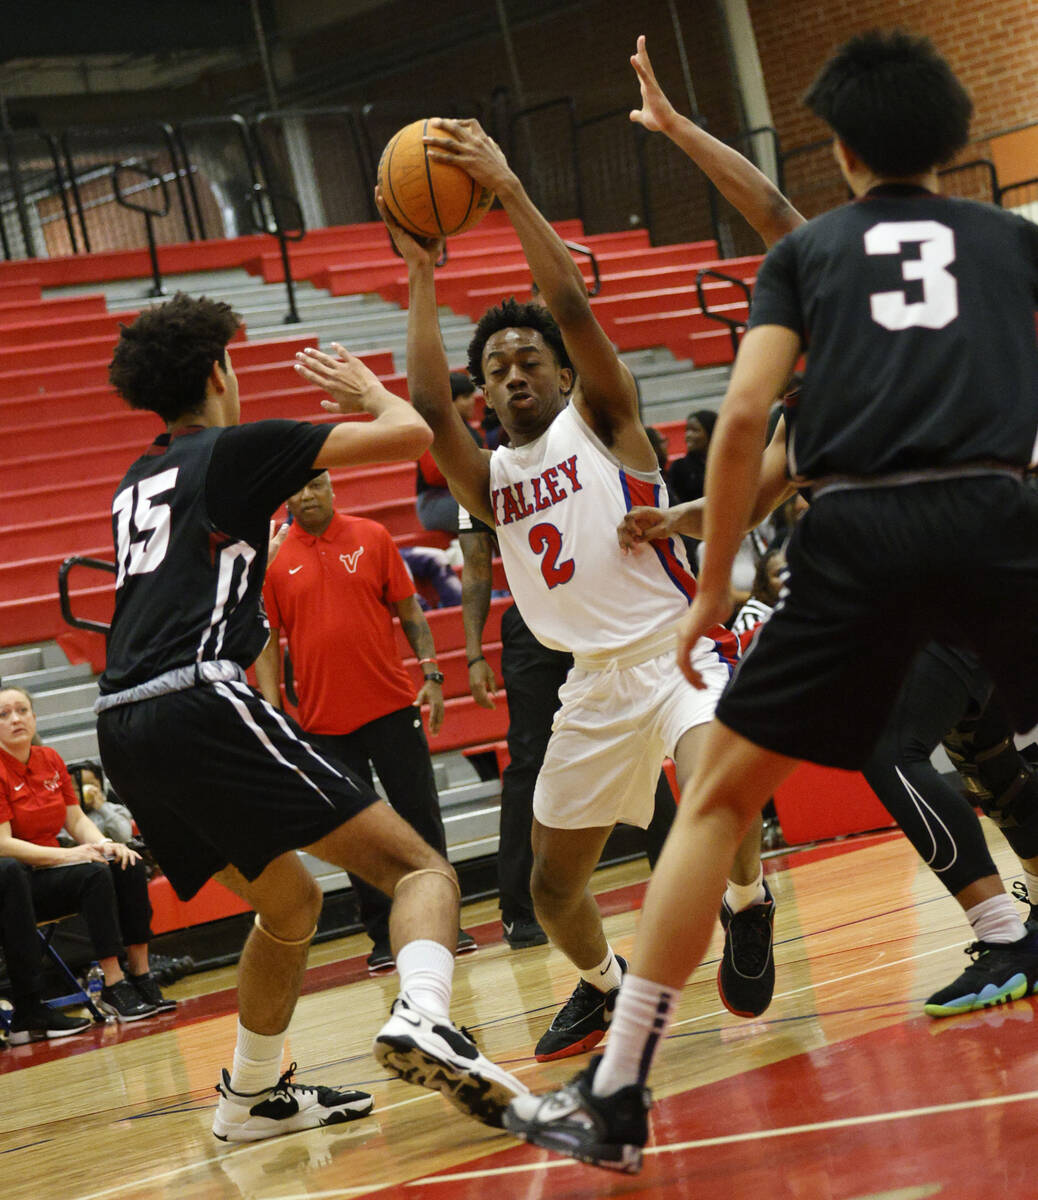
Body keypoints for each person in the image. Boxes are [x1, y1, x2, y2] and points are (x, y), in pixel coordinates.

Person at [504, 30, 1038, 1171]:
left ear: (838, 151)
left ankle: (619, 1093)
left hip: (859, 533)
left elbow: (744, 422)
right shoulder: (1010, 241)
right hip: (1001, 512)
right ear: (955, 138)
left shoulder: (816, 259)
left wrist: (711, 587)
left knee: (714, 806)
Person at [379, 113, 774, 1068]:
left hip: (679, 646)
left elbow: (574, 306)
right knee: (549, 890)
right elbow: (429, 408)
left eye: (529, 361)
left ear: (564, 374)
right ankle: (601, 989)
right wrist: (422, 270)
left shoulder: (603, 420)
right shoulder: (489, 480)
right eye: (496, 370)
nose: (511, 375)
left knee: (717, 781)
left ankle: (747, 903)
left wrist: (509, 191)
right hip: (590, 682)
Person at [94, 293, 526, 1143]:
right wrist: (372, 392)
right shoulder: (235, 449)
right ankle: (427, 1017)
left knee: (288, 902)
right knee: (421, 871)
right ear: (220, 372)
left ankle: (251, 1097)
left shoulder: (136, 478)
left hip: (121, 725)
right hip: (191, 694)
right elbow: (412, 437)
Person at [255, 470, 476, 973]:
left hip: (393, 708)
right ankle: (382, 936)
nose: (306, 494)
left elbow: (410, 612)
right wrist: (272, 710)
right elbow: (268, 641)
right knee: (354, 834)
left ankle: (443, 925)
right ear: (285, 494)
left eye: (316, 485)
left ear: (333, 487)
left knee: (420, 818)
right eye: (298, 486)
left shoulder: (372, 536)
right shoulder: (272, 558)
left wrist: (432, 672)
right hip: (321, 722)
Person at [459, 513, 678, 952]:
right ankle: (519, 911)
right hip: (535, 625)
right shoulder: (484, 472)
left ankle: (679, 881)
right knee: (528, 760)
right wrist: (472, 653)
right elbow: (477, 565)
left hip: (597, 616)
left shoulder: (579, 449)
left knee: (637, 742)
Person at [0, 687, 171, 1037]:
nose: (16, 719)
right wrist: (73, 854)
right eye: (4, 715)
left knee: (127, 861)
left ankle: (140, 975)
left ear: (34, 716)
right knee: (93, 873)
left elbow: (76, 821)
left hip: (56, 868)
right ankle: (113, 983)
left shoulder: (49, 759)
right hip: (21, 881)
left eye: (22, 710)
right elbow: (4, 845)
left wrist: (107, 844)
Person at [415, 371, 485, 533]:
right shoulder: (434, 429)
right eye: (466, 397)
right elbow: (434, 473)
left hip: (460, 497)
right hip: (435, 502)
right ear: (450, 402)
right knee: (483, 510)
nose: (473, 401)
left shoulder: (469, 430)